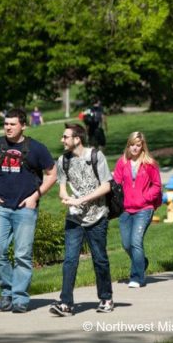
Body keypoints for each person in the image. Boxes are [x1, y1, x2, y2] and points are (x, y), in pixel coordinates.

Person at [0, 108, 56, 313]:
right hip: (0, 208)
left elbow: (52, 174)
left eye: (12, 124)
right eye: (6, 124)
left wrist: (35, 197)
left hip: (25, 209)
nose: (8, 127)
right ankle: (7, 291)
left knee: (22, 255)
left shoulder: (36, 148)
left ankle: (19, 298)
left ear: (23, 125)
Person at [49, 123, 115, 316]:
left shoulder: (95, 156)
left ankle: (106, 298)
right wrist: (65, 197)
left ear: (77, 139)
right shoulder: (63, 160)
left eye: (65, 137)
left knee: (99, 259)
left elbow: (106, 186)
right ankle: (66, 303)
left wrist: (81, 199)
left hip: (97, 215)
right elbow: (61, 185)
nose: (62, 140)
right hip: (75, 217)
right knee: (69, 259)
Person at [112, 132, 162, 288]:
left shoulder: (149, 163)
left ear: (143, 146)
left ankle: (137, 277)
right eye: (132, 144)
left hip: (144, 208)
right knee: (126, 244)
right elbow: (116, 184)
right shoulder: (122, 162)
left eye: (138, 145)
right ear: (128, 145)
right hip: (125, 209)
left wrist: (145, 197)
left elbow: (157, 185)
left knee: (135, 242)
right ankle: (142, 262)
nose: (135, 148)